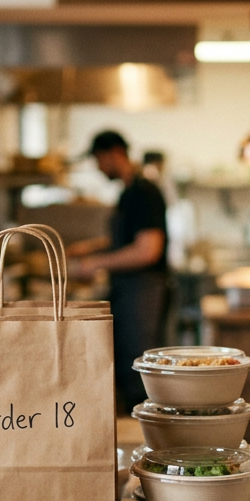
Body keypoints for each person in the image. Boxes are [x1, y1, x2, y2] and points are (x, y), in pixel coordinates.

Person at [73, 130, 169, 410]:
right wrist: (89, 248)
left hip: (143, 293)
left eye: (98, 159)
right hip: (129, 291)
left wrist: (96, 263)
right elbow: (128, 238)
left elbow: (147, 249)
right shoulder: (129, 191)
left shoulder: (143, 191)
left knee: (138, 372)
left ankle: (146, 440)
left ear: (114, 153)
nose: (98, 167)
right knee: (128, 369)